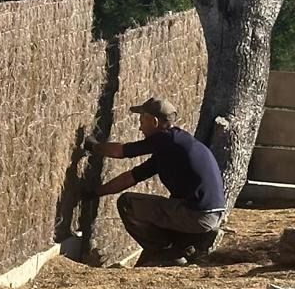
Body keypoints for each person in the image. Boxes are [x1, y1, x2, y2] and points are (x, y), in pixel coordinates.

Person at [85, 97, 226, 266]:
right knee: (154, 213)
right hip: (210, 215)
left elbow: (121, 152)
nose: (140, 128)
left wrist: (92, 146)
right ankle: (178, 249)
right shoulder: (174, 147)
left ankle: (165, 253)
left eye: (142, 122)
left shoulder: (167, 139)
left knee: (127, 204)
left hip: (195, 213)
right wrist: (95, 193)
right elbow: (131, 177)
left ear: (154, 122)